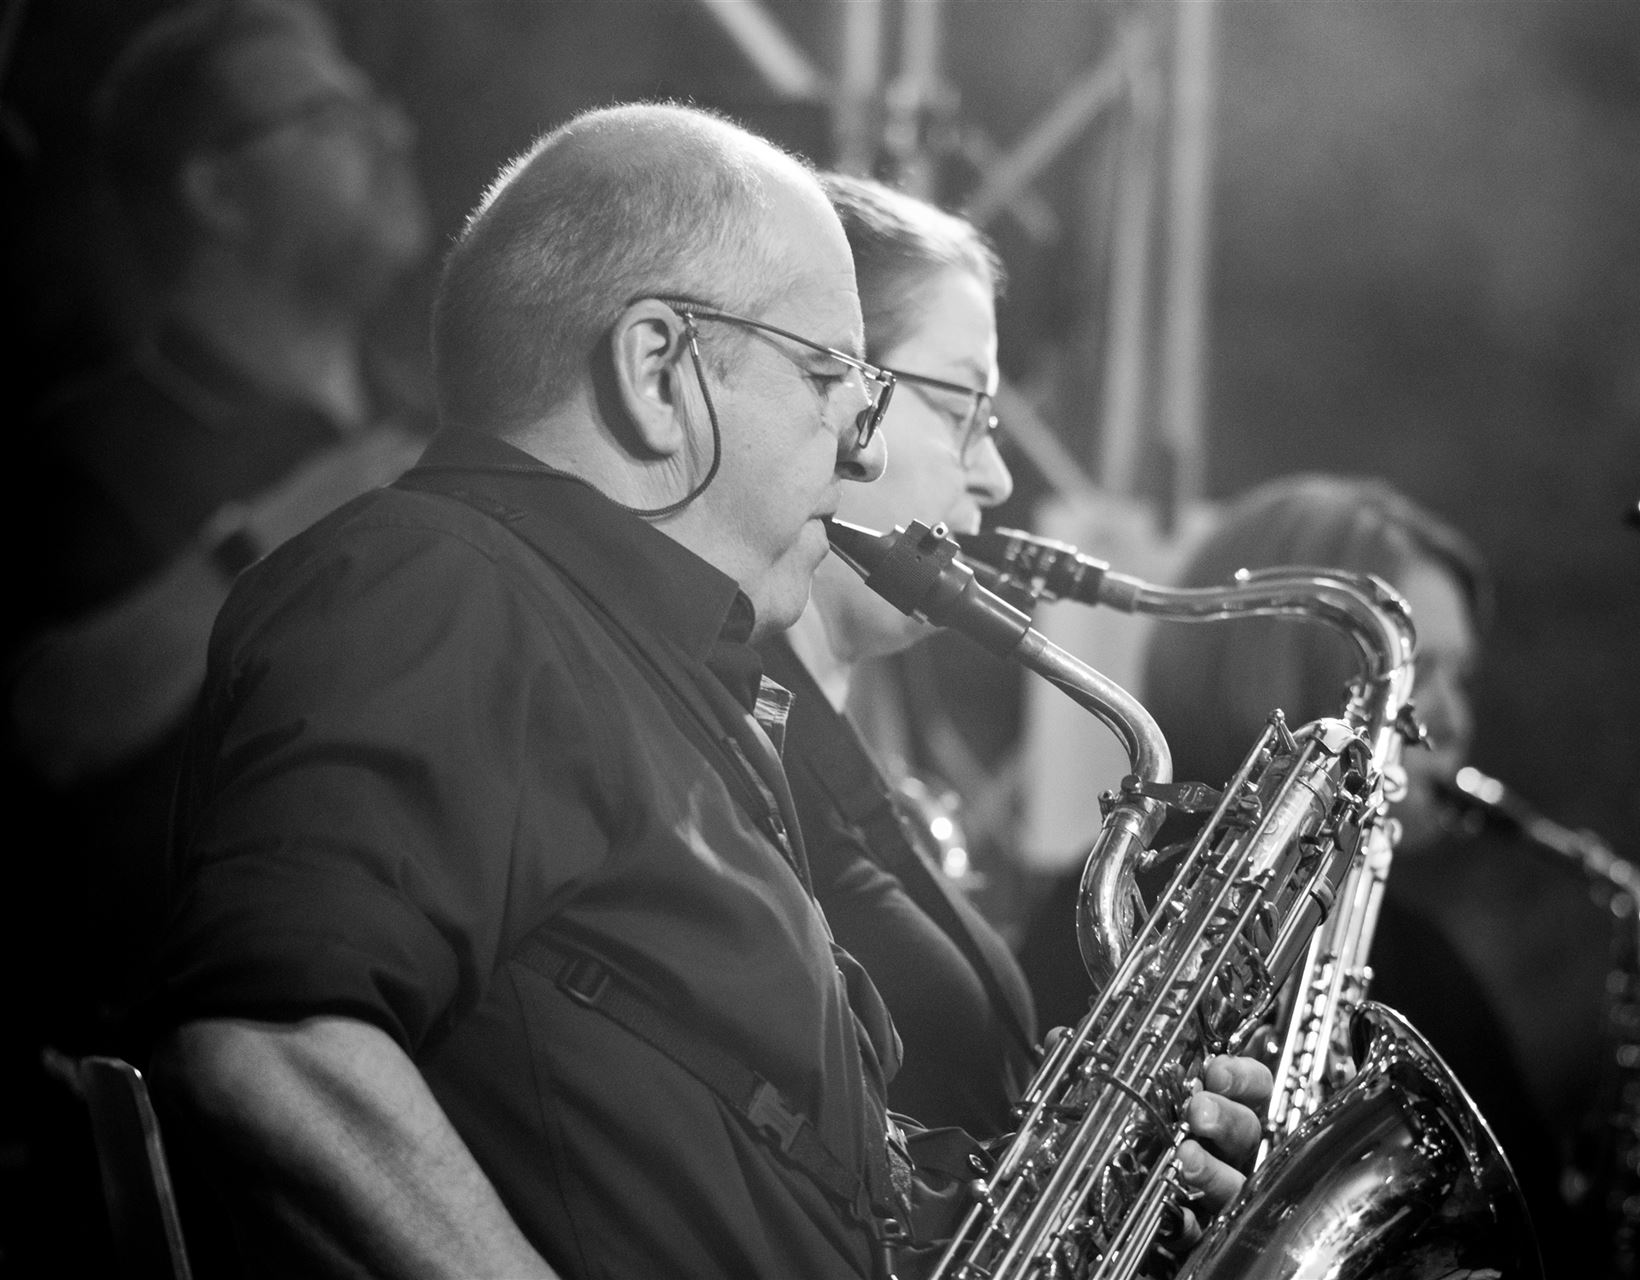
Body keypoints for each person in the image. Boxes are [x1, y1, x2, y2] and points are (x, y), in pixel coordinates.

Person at [141, 102, 1269, 1279]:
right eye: (832, 375)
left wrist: (1107, 1195)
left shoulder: (649, 671)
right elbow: (274, 1047)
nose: (865, 452)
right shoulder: (442, 582)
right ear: (657, 370)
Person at [1, 3, 429, 1269]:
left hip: (434, 1072)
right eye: (331, 115)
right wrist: (275, 535)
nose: (392, 132)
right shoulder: (82, 447)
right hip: (202, 1143)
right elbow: (46, 720)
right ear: (216, 190)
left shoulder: (439, 425)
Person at [1017, 473, 1583, 1266]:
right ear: (1296, 674)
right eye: (1422, 677)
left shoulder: (1424, 959)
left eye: (1463, 678)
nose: (1452, 722)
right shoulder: (1112, 913)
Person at [758, 174, 1036, 1140]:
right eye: (965, 411)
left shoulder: (833, 745)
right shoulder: (734, 743)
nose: (996, 477)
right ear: (837, 388)